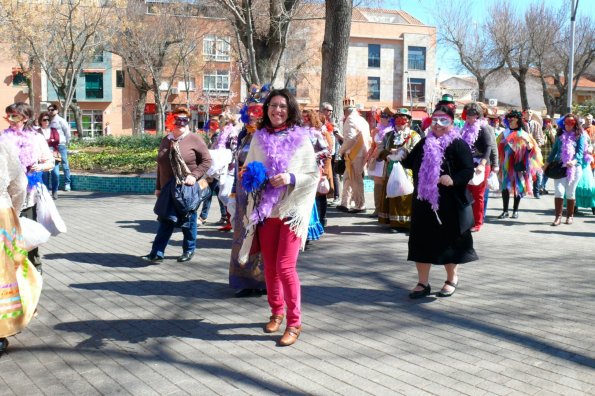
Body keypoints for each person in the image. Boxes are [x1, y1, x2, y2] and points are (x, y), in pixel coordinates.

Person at [238, 89, 318, 346]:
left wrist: (290, 178)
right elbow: (248, 171)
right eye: (273, 106)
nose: (277, 110)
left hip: (292, 209)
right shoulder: (258, 138)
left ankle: (294, 323)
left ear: (290, 109)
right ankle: (276, 311)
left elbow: (313, 175)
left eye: (283, 106)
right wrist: (252, 179)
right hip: (266, 210)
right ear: (266, 109)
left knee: (285, 266)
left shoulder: (302, 138)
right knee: (270, 266)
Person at [401, 104, 478, 299]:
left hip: (449, 203)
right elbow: (410, 163)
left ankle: (451, 279)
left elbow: (468, 170)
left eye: (443, 121)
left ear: (452, 123)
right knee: (421, 241)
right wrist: (399, 155)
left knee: (449, 243)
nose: (438, 125)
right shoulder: (424, 142)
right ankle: (422, 283)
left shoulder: (458, 144)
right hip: (424, 201)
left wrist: (453, 179)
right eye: (435, 120)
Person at [141, 107, 212, 263]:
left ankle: (189, 250)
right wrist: (158, 187)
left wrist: (194, 176)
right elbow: (160, 165)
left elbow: (207, 161)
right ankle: (157, 252)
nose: (181, 123)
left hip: (187, 188)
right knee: (165, 220)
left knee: (189, 221)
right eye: (177, 120)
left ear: (188, 122)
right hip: (168, 189)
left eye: (184, 120)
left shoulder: (194, 139)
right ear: (170, 122)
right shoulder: (167, 140)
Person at [0, 140, 43, 357]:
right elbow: (18, 184)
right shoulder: (3, 146)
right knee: (5, 269)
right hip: (1, 215)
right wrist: (13, 212)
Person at [1, 102, 54, 275]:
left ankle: (35, 273)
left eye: (14, 116)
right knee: (8, 240)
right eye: (8, 115)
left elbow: (50, 162)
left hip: (29, 196)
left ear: (25, 118)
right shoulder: (3, 138)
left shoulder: (36, 138)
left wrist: (40, 166)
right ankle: (12, 277)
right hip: (7, 198)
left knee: (28, 239)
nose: (10, 120)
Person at [228, 89, 267, 297]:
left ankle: (262, 280)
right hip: (244, 193)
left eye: (258, 109)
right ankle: (245, 279)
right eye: (250, 109)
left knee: (260, 236)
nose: (253, 114)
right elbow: (238, 163)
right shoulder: (245, 134)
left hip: (262, 195)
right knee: (243, 234)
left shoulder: (266, 135)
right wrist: (235, 192)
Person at [377, 108, 421, 232]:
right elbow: (380, 150)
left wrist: (404, 152)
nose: (400, 123)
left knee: (405, 194)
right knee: (392, 192)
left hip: (407, 170)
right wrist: (388, 155)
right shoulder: (388, 135)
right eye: (397, 120)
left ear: (408, 122)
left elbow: (416, 151)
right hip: (390, 169)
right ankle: (394, 223)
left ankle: (406, 223)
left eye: (403, 120)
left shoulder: (414, 135)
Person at [496, 110, 542, 220]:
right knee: (505, 188)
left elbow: (533, 151)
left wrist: (527, 142)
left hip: (519, 164)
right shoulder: (504, 133)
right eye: (509, 118)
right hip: (506, 165)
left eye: (513, 118)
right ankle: (505, 211)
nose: (510, 120)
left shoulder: (525, 134)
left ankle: (515, 211)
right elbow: (496, 147)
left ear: (518, 120)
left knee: (518, 186)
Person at [459, 103, 498, 232]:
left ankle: (478, 222)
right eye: (467, 116)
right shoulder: (465, 127)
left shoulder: (484, 128)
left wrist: (483, 163)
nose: (469, 119)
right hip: (468, 163)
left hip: (481, 164)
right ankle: (468, 220)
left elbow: (489, 147)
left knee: (478, 194)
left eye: (471, 117)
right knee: (467, 192)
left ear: (478, 116)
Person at [548, 114, 586, 226]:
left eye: (571, 123)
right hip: (560, 167)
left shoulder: (580, 136)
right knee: (559, 191)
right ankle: (558, 217)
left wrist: (573, 161)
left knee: (570, 193)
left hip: (574, 167)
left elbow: (580, 152)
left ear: (575, 124)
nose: (568, 125)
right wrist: (546, 164)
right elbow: (554, 151)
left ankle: (570, 216)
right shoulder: (559, 135)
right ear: (563, 123)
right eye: (566, 123)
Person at [337, 103, 371, 213]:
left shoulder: (350, 119)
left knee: (355, 179)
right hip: (361, 152)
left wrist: (340, 151)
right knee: (348, 177)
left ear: (346, 111)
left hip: (354, 153)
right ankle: (345, 203)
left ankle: (360, 205)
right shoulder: (363, 120)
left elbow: (351, 139)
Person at [302, 109, 329, 243]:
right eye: (302, 117)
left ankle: (307, 231)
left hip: (312, 170)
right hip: (298, 170)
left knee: (309, 199)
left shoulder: (316, 134)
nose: (304, 120)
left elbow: (326, 151)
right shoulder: (295, 133)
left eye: (307, 118)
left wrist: (313, 156)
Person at [366, 107, 394, 218]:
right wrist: (368, 157)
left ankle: (384, 210)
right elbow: (373, 145)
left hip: (385, 159)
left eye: (385, 117)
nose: (382, 118)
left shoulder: (392, 132)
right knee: (377, 184)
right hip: (376, 159)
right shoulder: (377, 130)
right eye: (381, 116)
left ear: (390, 119)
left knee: (386, 183)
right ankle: (377, 209)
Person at [47, 104, 71, 191]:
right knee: (52, 165)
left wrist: (67, 142)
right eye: (49, 110)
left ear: (56, 110)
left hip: (61, 145)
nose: (50, 111)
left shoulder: (61, 120)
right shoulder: (47, 120)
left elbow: (67, 132)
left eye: (52, 109)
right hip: (51, 146)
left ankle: (67, 183)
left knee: (65, 165)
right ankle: (52, 185)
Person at [321, 102, 341, 205]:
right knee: (324, 174)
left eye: (331, 110)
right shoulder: (320, 121)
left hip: (331, 152)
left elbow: (337, 138)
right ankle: (326, 194)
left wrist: (337, 153)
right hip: (322, 151)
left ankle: (336, 196)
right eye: (329, 110)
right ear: (323, 110)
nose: (330, 112)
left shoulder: (333, 122)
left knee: (334, 174)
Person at [37, 112, 61, 200]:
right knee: (45, 175)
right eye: (44, 120)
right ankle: (46, 192)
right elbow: (37, 143)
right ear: (40, 121)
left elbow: (57, 140)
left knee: (56, 174)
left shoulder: (53, 130)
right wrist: (51, 140)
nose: (46, 121)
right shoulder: (37, 131)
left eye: (48, 120)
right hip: (43, 156)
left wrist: (46, 141)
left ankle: (55, 191)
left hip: (54, 155)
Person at [523, 108, 545, 198]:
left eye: (530, 112)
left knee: (537, 172)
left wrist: (536, 144)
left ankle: (536, 191)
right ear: (524, 114)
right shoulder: (521, 124)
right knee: (524, 171)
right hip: (523, 150)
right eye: (527, 112)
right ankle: (524, 190)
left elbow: (541, 138)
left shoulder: (536, 124)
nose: (529, 114)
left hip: (535, 151)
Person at [539, 115, 558, 194]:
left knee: (547, 172)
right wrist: (545, 131)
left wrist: (550, 131)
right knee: (540, 172)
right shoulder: (540, 130)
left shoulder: (553, 130)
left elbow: (554, 141)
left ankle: (542, 186)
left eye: (548, 121)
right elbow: (540, 140)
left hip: (549, 154)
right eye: (546, 121)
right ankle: (540, 186)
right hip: (541, 153)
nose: (547, 122)